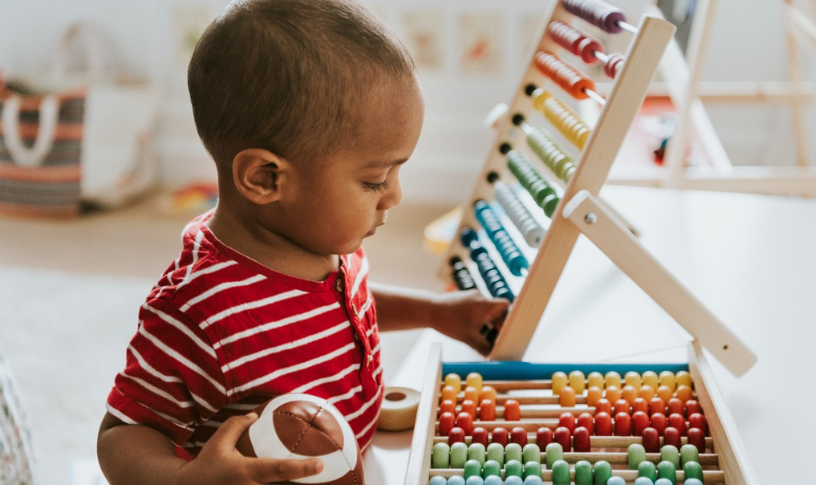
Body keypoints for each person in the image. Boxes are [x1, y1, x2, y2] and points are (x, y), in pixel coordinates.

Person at [96, 0, 510, 484]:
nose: (396, 195)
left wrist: (436, 313)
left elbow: (334, 312)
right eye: (375, 179)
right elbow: (122, 432)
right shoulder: (200, 311)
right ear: (266, 178)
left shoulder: (325, 240)